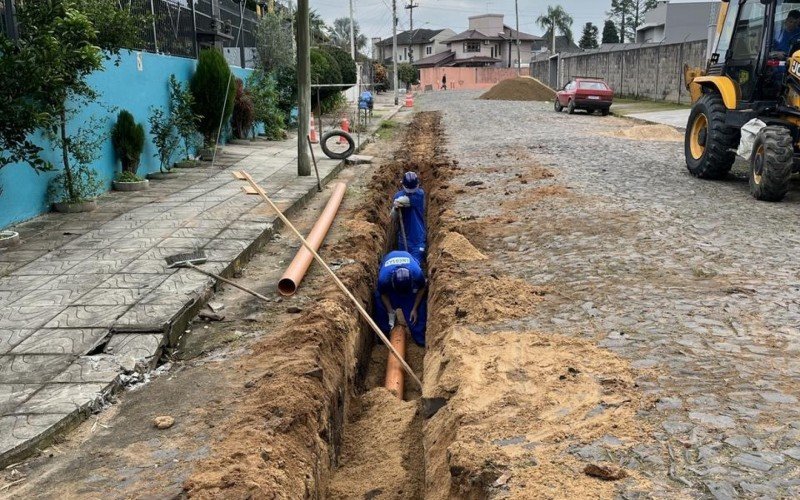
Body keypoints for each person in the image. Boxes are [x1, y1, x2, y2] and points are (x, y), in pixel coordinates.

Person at [373, 250, 427, 346]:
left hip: (408, 292)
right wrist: (390, 312)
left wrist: (414, 309)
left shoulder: (417, 273)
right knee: (379, 304)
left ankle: (420, 339)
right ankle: (384, 335)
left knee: (415, 317)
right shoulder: (384, 278)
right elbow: (383, 294)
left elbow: (422, 288)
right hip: (390, 289)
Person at [391, 172, 426, 264]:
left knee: (415, 264)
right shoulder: (397, 196)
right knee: (404, 265)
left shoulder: (420, 194)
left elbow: (407, 201)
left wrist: (399, 202)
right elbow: (394, 217)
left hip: (417, 238)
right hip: (403, 238)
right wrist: (395, 209)